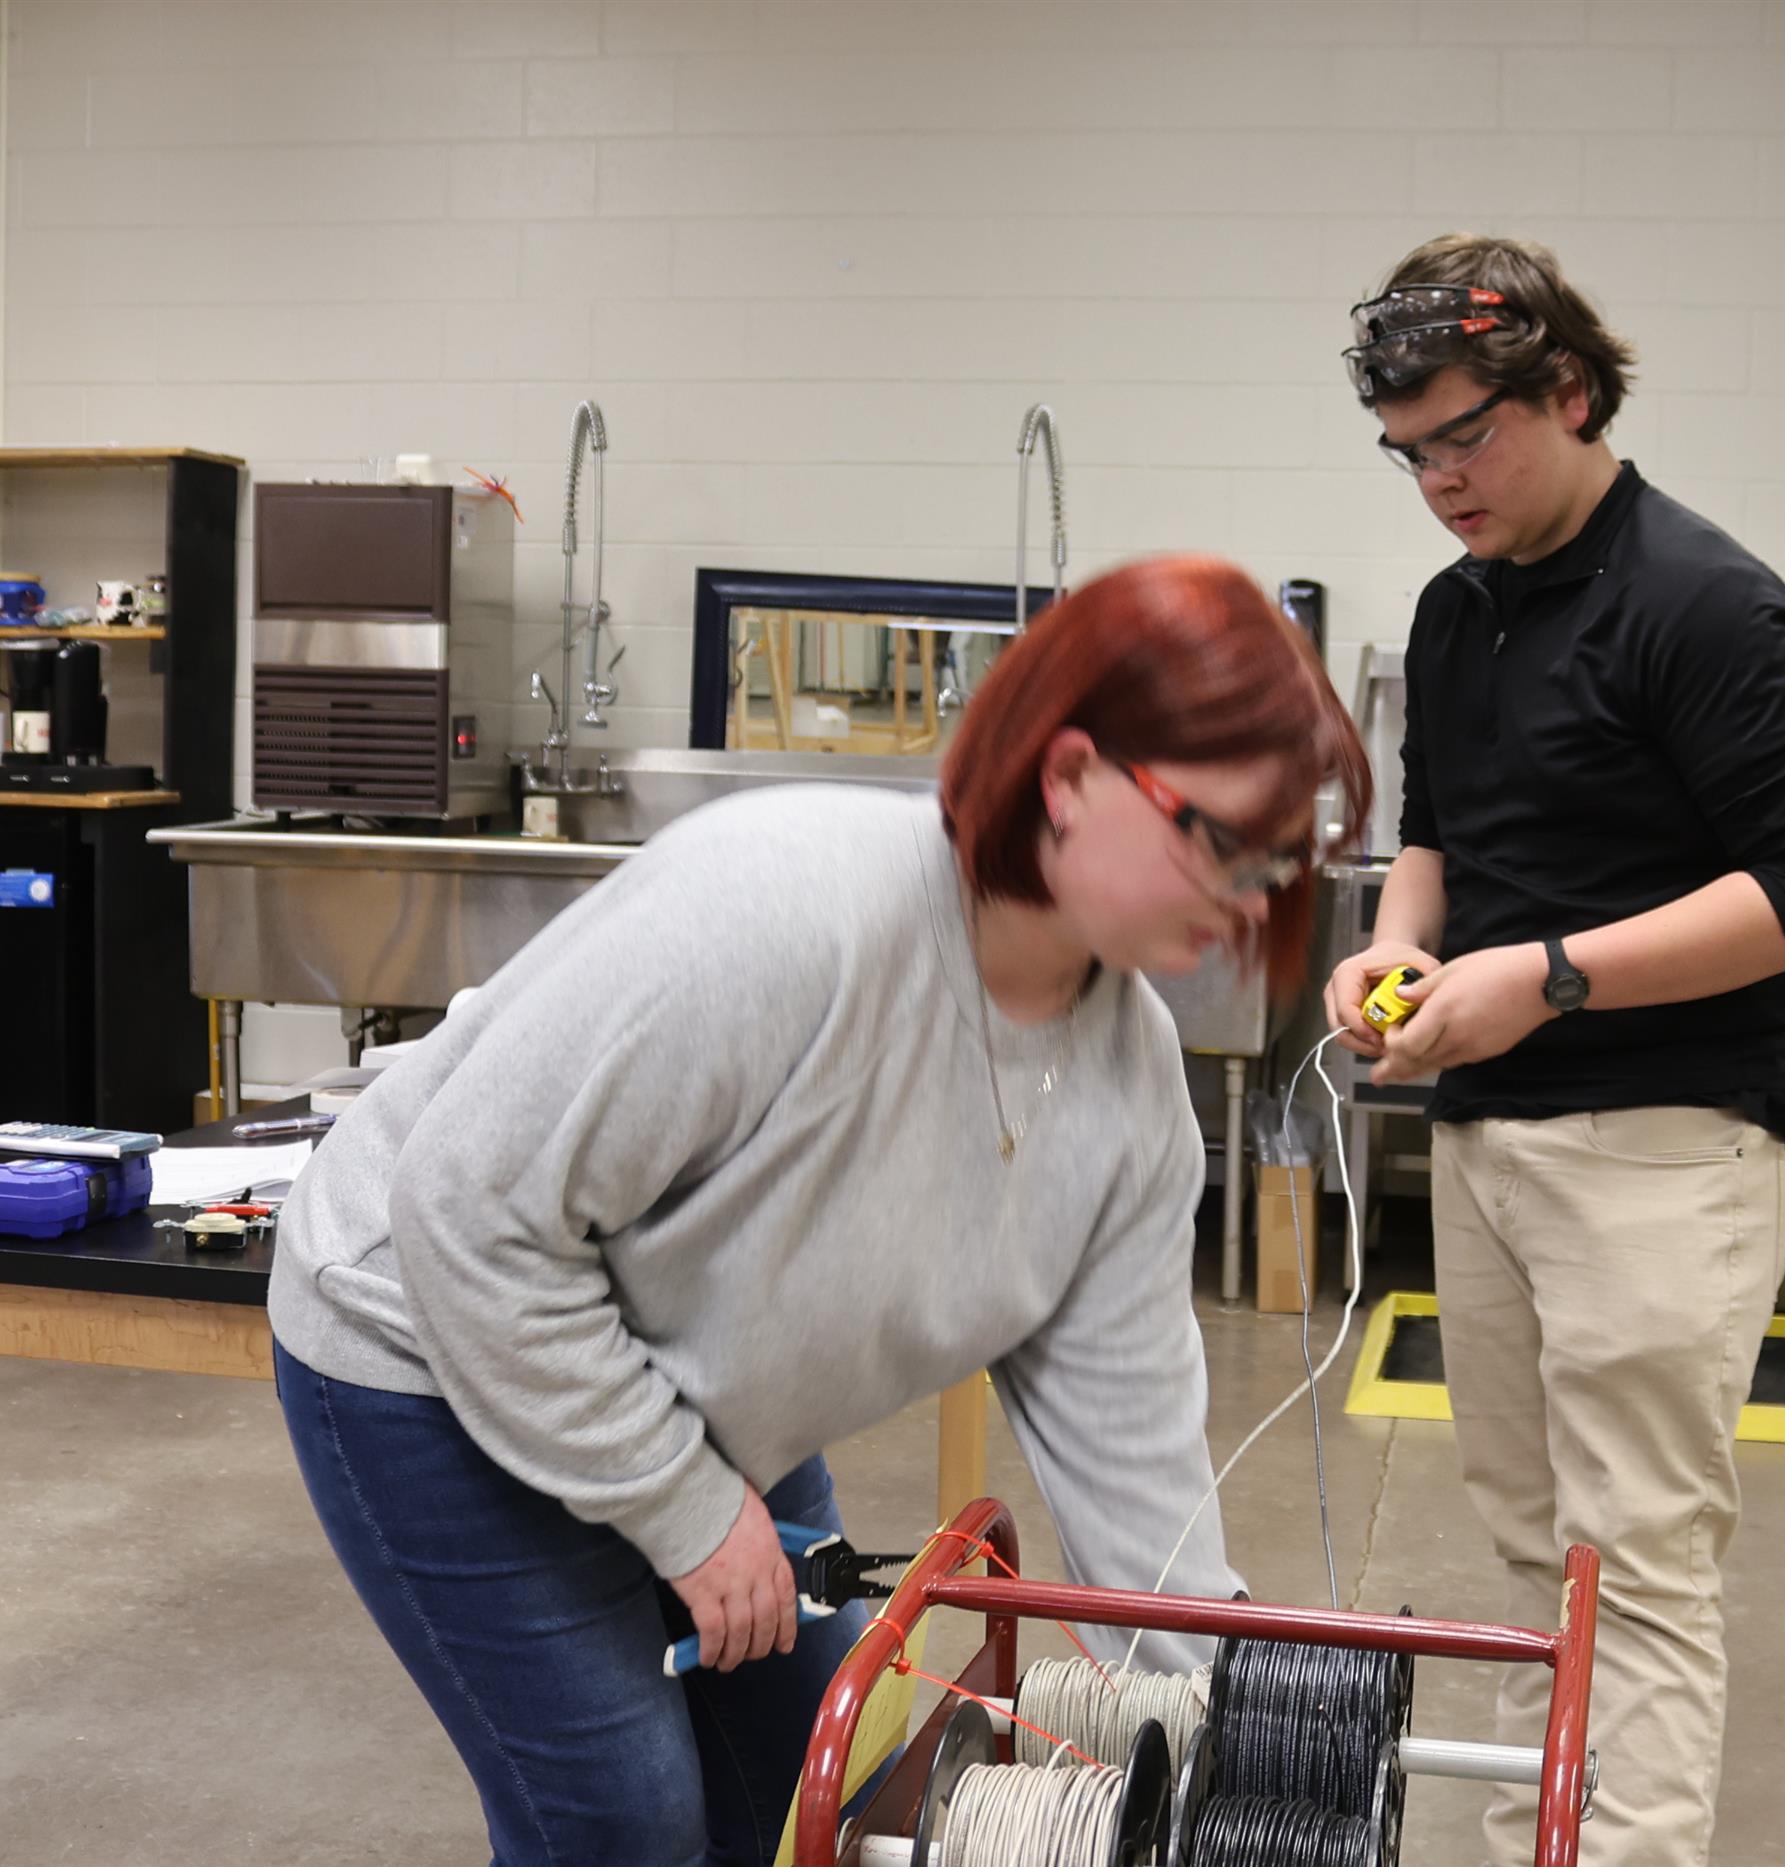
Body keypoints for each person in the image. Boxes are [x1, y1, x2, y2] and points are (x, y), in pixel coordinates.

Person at [269, 555, 1369, 1867]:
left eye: (1281, 862)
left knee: (821, 1788)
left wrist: (1246, 1732)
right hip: (425, 1345)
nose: (1254, 902)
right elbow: (468, 1216)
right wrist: (685, 1510)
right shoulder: (791, 913)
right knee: (623, 1817)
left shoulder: (1129, 1089)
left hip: (703, 1377)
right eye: (1223, 844)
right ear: (1071, 777)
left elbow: (1135, 1465)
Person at [1324, 234, 1785, 1867]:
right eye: (1409, 453)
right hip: (1489, 1135)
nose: (1439, 481)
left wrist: (1552, 978)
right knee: (1531, 1554)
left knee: (1632, 1568)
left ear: (1569, 391)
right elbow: (1439, 836)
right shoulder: (1455, 614)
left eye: (1466, 437)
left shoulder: (1704, 602)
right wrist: (1403, 944)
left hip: (1665, 1143)